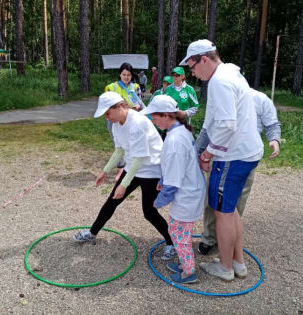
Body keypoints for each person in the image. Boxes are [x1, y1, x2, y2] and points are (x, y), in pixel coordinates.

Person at [179, 39, 264, 281]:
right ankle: (238, 263)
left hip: (232, 157)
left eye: (192, 66)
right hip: (246, 153)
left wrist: (207, 154)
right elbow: (212, 121)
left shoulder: (219, 81)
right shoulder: (231, 73)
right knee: (231, 210)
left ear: (204, 59)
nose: (192, 73)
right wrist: (200, 149)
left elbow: (226, 125)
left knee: (221, 212)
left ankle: (225, 268)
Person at [73, 92, 176, 261]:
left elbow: (140, 157)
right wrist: (105, 171)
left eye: (107, 112)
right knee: (112, 201)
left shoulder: (138, 123)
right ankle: (92, 233)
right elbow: (120, 150)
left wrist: (124, 184)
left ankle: (171, 243)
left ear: (119, 106)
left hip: (151, 169)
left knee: (149, 212)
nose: (106, 117)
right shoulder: (116, 124)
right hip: (133, 167)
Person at [196, 87, 281, 258]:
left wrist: (274, 140)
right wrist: (197, 152)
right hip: (220, 154)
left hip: (245, 157)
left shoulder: (259, 98)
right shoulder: (221, 96)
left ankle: (227, 239)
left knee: (236, 201)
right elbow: (209, 127)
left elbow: (271, 123)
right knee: (213, 199)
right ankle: (209, 237)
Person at [141, 95, 205, 284]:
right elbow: (176, 166)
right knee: (179, 231)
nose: (152, 120)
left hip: (187, 194)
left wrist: (159, 200)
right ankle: (185, 264)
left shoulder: (175, 139)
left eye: (154, 116)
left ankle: (188, 271)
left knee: (179, 235)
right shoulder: (179, 131)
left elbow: (175, 179)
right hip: (189, 190)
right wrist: (163, 178)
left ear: (167, 115)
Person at [105, 62, 145, 170]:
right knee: (117, 140)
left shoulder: (136, 87)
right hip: (114, 119)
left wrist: (137, 107)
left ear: (132, 76)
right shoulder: (111, 87)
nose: (126, 77)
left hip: (130, 119)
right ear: (120, 75)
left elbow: (139, 102)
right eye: (124, 74)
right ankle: (121, 164)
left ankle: (129, 164)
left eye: (128, 75)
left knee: (130, 141)